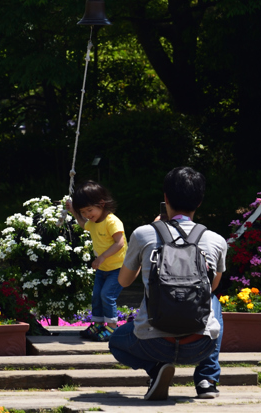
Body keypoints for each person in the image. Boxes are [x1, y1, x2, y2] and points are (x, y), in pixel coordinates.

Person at [110, 166, 227, 401]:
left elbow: (123, 281)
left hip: (152, 343)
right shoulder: (216, 240)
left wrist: (148, 255)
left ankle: (156, 369)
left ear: (165, 198)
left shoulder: (143, 234)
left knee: (116, 342)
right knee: (213, 300)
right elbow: (212, 287)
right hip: (200, 346)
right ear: (200, 201)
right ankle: (206, 378)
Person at [65, 181, 127, 342]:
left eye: (89, 210)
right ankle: (99, 324)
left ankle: (113, 328)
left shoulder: (112, 221)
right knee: (97, 296)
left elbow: (120, 243)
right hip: (103, 269)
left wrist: (102, 257)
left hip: (117, 268)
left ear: (101, 203)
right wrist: (73, 211)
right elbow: (83, 224)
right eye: (83, 211)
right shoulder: (93, 222)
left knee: (107, 295)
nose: (87, 214)